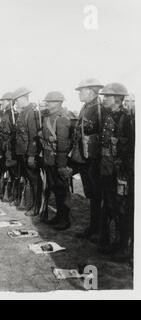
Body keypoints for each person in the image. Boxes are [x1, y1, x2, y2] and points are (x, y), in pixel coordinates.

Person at [98, 83, 133, 259]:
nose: (104, 99)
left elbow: (130, 148)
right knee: (110, 205)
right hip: (108, 168)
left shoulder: (126, 118)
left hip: (120, 171)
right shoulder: (109, 115)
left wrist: (124, 172)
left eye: (107, 97)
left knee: (121, 208)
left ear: (117, 99)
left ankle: (122, 246)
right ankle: (113, 242)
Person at [71, 78, 105, 242]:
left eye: (82, 90)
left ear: (91, 91)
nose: (79, 93)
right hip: (85, 157)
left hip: (95, 158)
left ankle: (98, 229)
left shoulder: (100, 108)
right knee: (91, 193)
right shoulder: (86, 107)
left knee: (98, 194)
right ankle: (94, 227)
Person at [39, 91, 72, 230]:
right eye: (47, 101)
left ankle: (65, 219)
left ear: (59, 103)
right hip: (48, 159)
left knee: (62, 190)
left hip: (58, 160)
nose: (47, 103)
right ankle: (59, 216)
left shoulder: (61, 119)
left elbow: (63, 145)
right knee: (54, 188)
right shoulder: (48, 117)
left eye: (50, 101)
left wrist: (61, 165)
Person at [13, 87, 43, 216]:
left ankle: (36, 207)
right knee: (29, 180)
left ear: (23, 98)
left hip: (29, 153)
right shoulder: (23, 112)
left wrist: (31, 155)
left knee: (35, 181)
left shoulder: (31, 113)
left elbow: (33, 136)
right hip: (22, 152)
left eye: (17, 100)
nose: (16, 103)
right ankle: (31, 203)